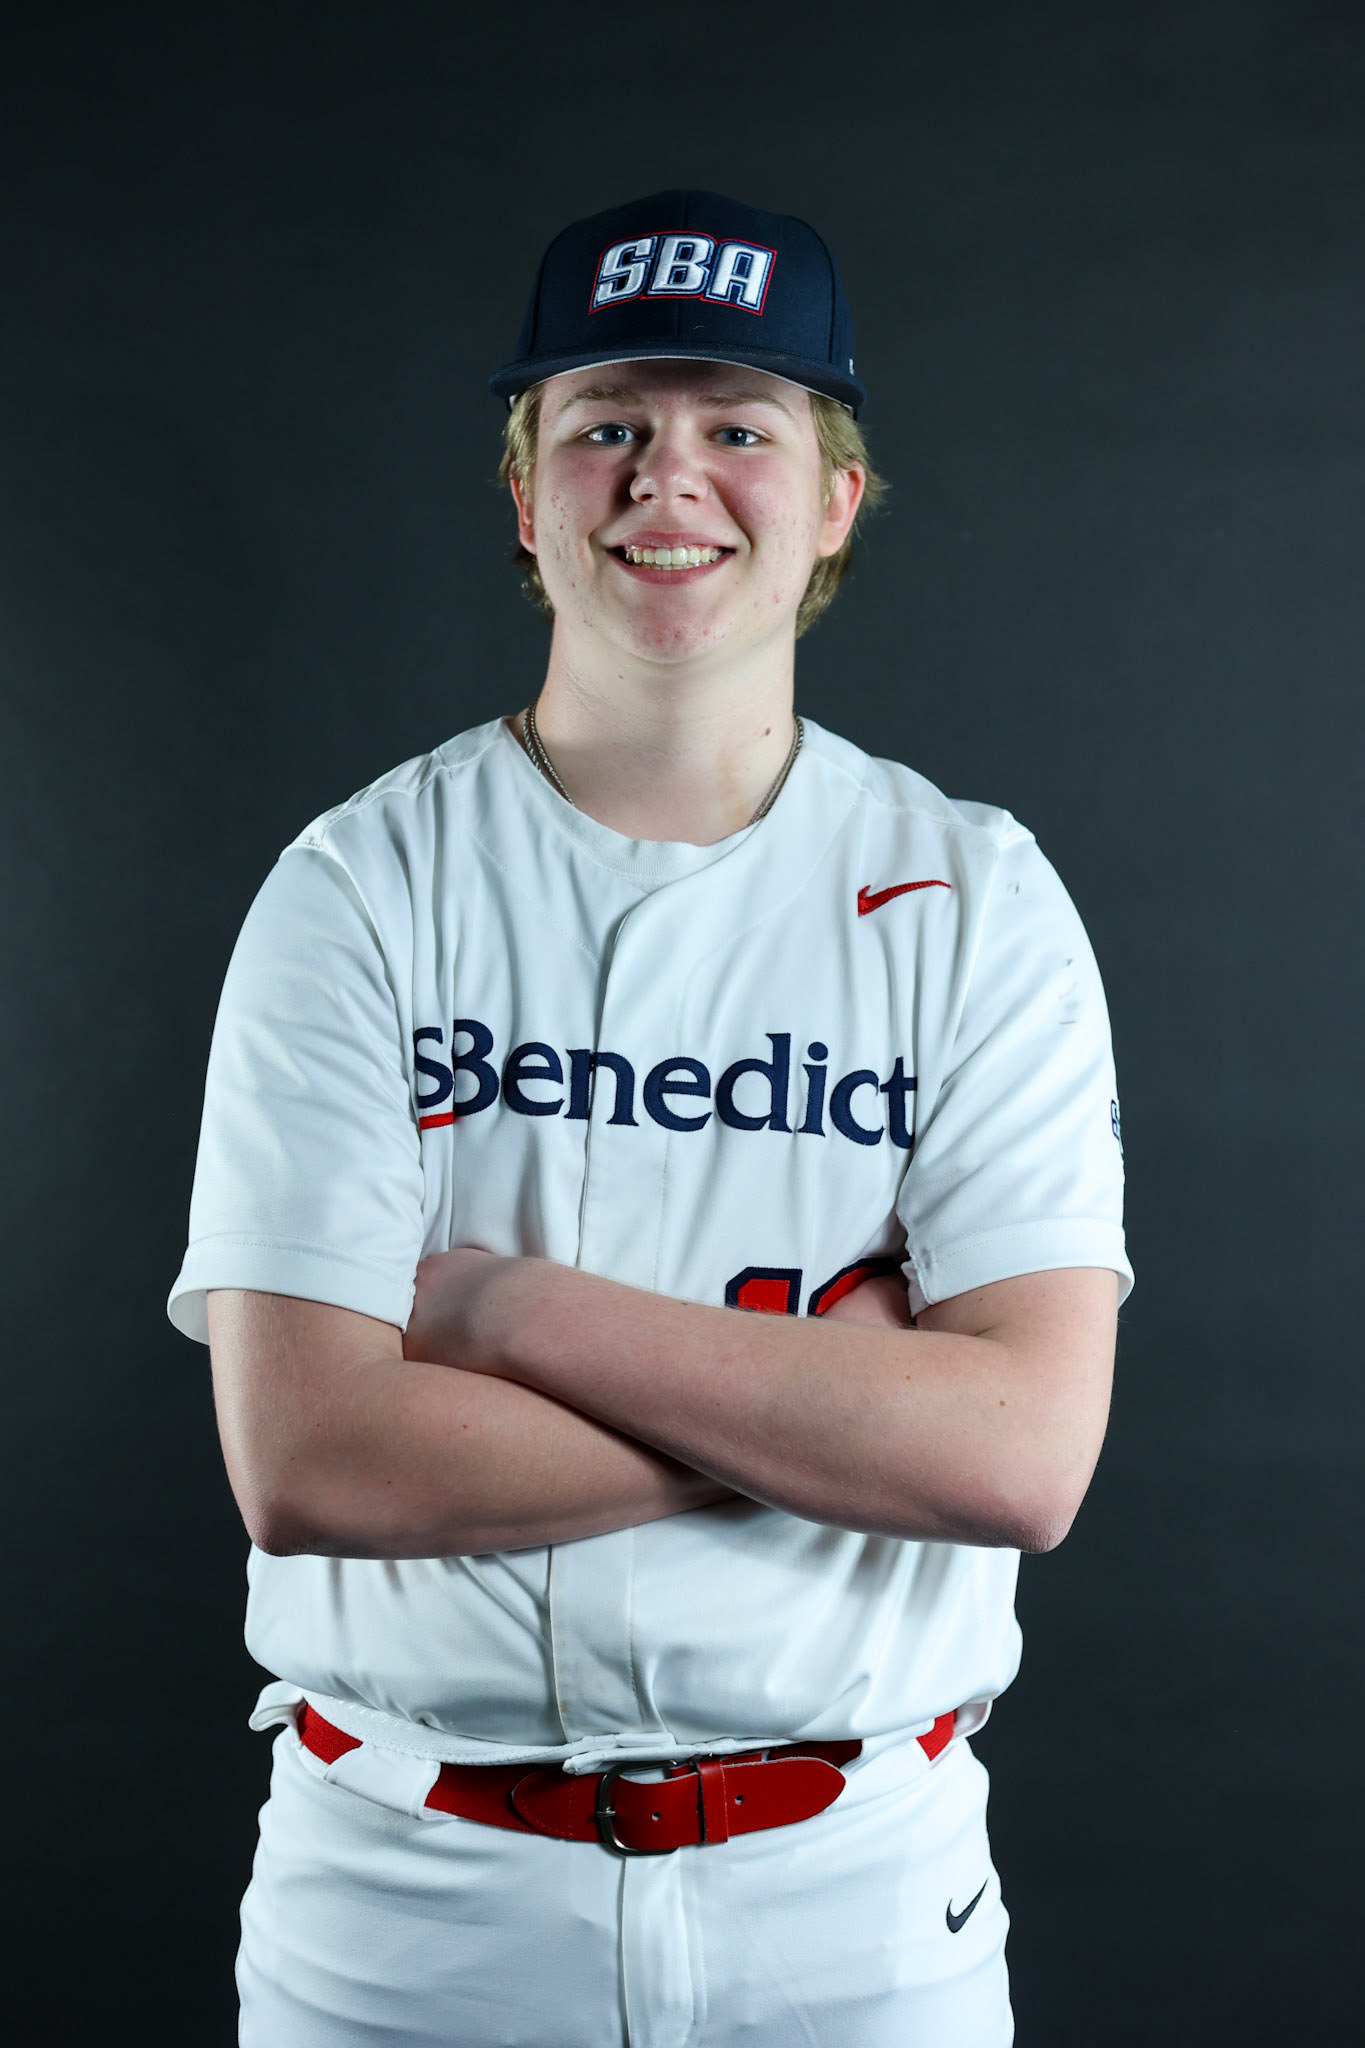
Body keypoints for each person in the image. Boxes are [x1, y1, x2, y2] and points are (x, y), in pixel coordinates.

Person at [169, 189, 1132, 2047]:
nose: (664, 478)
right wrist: (850, 1403)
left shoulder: (976, 897)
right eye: (603, 422)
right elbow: (311, 1463)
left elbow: (1020, 1461)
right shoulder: (358, 886)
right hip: (408, 1909)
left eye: (737, 427)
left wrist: (503, 1310)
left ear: (834, 498)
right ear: (526, 496)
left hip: (856, 1909)